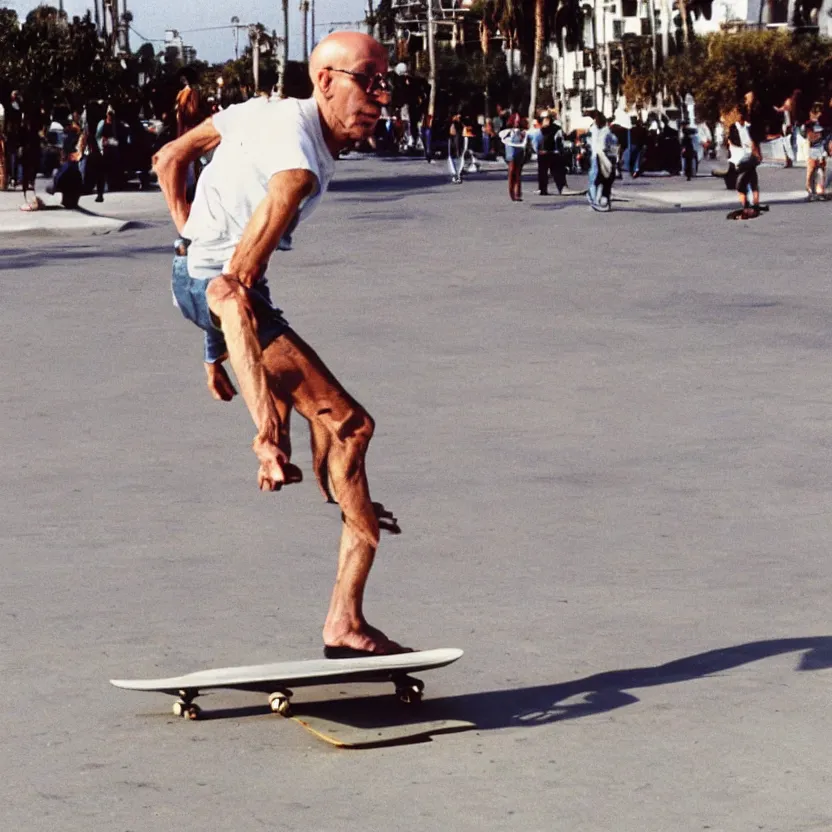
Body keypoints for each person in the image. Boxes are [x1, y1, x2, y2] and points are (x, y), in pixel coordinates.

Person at [153, 31, 406, 656]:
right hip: (229, 301)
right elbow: (233, 293)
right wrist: (267, 433)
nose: (381, 97)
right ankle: (343, 622)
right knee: (350, 427)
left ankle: (347, 501)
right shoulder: (295, 172)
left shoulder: (261, 110)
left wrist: (190, 246)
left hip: (204, 286)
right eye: (367, 82)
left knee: (340, 430)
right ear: (325, 82)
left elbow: (168, 159)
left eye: (385, 82)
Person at [726, 105, 763, 219]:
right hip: (745, 157)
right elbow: (734, 142)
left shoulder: (746, 127)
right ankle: (753, 204)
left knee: (744, 183)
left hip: (745, 158)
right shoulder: (737, 128)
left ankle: (748, 205)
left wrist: (756, 153)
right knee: (751, 180)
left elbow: (753, 142)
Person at [587, 111, 618, 212]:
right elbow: (613, 148)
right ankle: (601, 199)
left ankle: (594, 197)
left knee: (596, 179)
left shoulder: (593, 130)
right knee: (606, 179)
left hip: (596, 156)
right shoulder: (608, 133)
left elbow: (590, 143)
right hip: (605, 157)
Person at [499, 113, 528, 201]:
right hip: (511, 152)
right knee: (512, 172)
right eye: (515, 120)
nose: (517, 122)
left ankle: (518, 193)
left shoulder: (522, 131)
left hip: (519, 151)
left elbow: (525, 141)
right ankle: (512, 193)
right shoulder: (507, 131)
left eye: (518, 120)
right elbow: (501, 137)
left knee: (518, 172)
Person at [803, 102, 827, 200]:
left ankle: (820, 190)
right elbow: (809, 137)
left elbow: (826, 136)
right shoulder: (809, 124)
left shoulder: (823, 124)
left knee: (821, 169)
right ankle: (810, 191)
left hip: (821, 148)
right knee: (811, 169)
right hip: (811, 148)